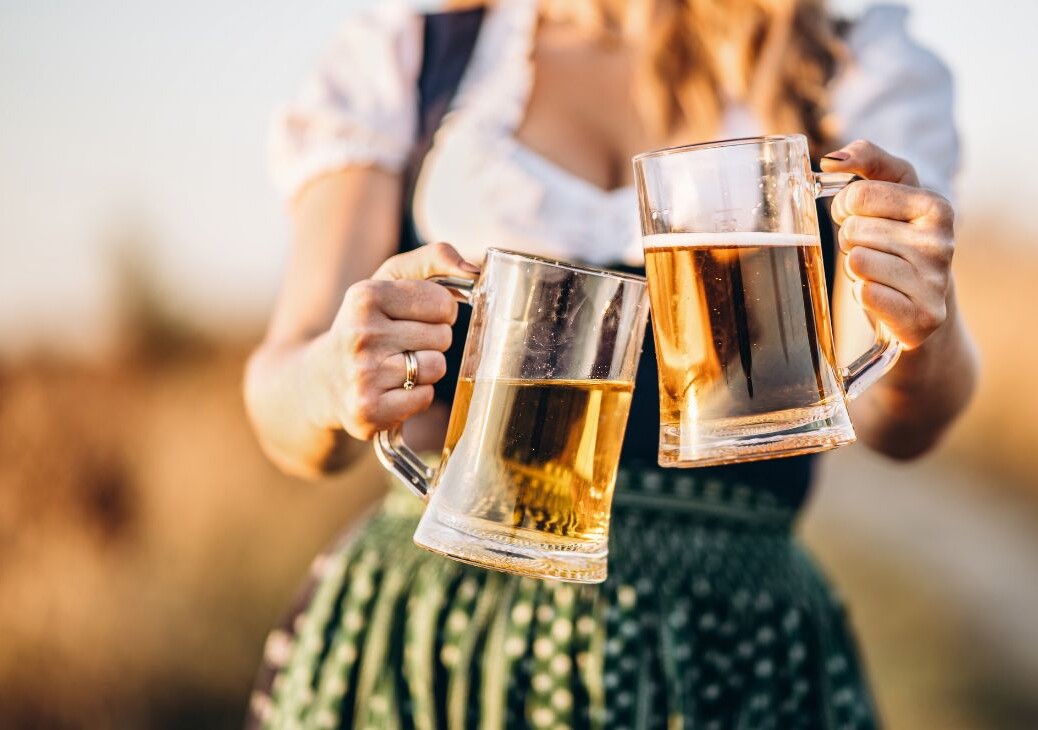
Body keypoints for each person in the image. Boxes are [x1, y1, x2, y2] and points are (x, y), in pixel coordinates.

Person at [243, 0, 978, 727]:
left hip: (730, 644)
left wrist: (919, 324)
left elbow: (898, 424)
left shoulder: (847, 64)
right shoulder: (416, 56)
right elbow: (285, 399)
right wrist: (331, 378)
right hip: (439, 635)